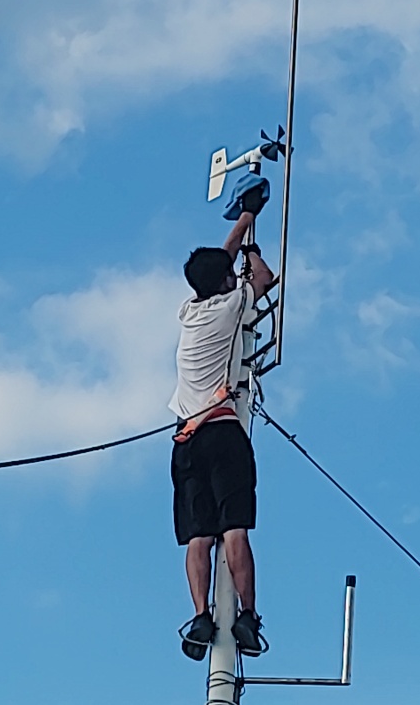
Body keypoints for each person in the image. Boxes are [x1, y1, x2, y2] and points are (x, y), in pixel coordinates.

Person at [170, 183, 274, 662]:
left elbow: (220, 264)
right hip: (224, 430)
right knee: (235, 529)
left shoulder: (190, 311)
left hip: (185, 438)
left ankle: (199, 615)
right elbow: (264, 277)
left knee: (199, 536)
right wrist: (251, 244)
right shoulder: (233, 306)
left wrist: (244, 219)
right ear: (226, 282)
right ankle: (247, 617)